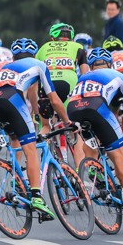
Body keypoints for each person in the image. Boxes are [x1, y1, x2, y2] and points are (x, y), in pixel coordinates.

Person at [0, 38, 72, 218]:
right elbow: (54, 100)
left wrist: (34, 114)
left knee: (16, 138)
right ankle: (37, 196)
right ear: (34, 53)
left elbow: (32, 94)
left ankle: (19, 179)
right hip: (11, 99)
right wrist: (67, 122)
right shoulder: (39, 65)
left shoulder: (7, 67)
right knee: (31, 148)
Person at [68, 48, 123, 217]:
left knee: (91, 140)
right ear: (110, 64)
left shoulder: (83, 77)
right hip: (97, 108)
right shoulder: (117, 75)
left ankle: (94, 169)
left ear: (91, 66)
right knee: (118, 154)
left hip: (73, 110)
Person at [36, 22, 89, 163]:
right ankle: (80, 171)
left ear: (53, 38)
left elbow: (35, 76)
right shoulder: (78, 47)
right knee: (75, 128)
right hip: (69, 84)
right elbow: (85, 75)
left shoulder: (43, 48)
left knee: (46, 125)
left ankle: (43, 162)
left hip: (47, 86)